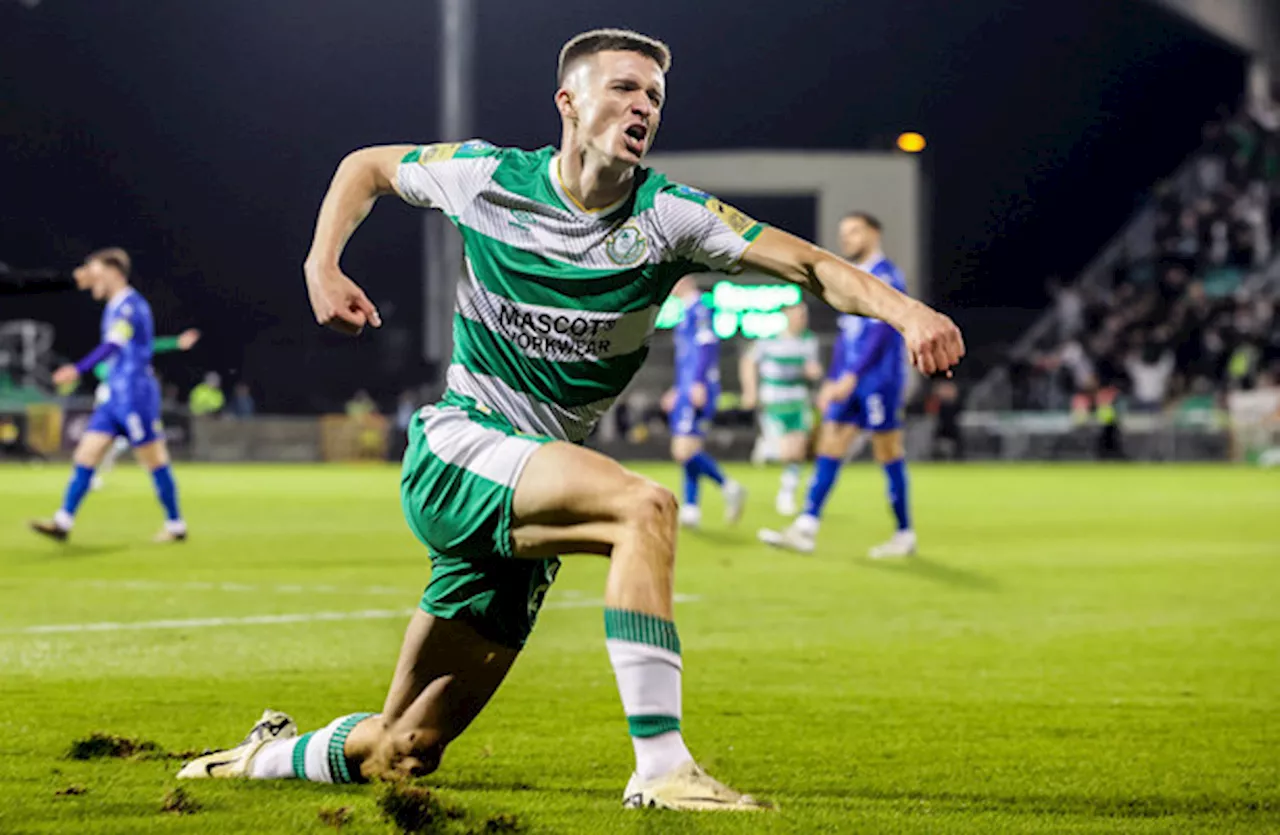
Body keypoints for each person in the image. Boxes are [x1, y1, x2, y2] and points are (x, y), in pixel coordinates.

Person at [177, 29, 963, 810]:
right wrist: (322, 263)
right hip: (461, 449)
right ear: (569, 100)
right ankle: (661, 769)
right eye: (624, 87)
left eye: (654, 95)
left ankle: (259, 759)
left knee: (403, 747)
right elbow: (368, 167)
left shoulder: (672, 218)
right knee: (642, 506)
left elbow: (812, 266)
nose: (643, 105)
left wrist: (908, 312)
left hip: (532, 485)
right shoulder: (486, 177)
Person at [758, 212, 917, 558]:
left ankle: (904, 534)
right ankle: (806, 527)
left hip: (879, 380)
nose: (846, 239)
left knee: (887, 451)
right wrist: (832, 380)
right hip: (849, 381)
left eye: (854, 231)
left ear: (874, 233)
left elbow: (880, 332)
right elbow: (847, 338)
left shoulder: (888, 276)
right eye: (843, 232)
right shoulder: (854, 278)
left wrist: (850, 376)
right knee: (830, 443)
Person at [29, 248, 187, 543]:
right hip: (114, 395)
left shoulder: (130, 305)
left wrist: (79, 368)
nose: (91, 279)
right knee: (86, 455)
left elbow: (114, 343)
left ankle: (176, 525)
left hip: (135, 393)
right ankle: (63, 521)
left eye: (95, 271)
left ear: (114, 271)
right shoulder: (114, 305)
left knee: (153, 459)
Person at [664, 275, 745, 528]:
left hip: (698, 387)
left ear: (685, 280)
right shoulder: (686, 312)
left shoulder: (700, 308)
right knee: (691, 448)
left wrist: (697, 382)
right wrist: (678, 388)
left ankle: (728, 485)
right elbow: (687, 358)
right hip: (687, 387)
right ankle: (691, 507)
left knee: (682, 450)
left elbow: (707, 345)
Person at [91, 328, 200, 489]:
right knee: (106, 440)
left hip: (128, 398)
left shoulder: (133, 349)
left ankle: (99, 470)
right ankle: (92, 473)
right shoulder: (113, 351)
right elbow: (98, 368)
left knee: (121, 442)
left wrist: (177, 342)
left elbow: (154, 345)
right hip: (109, 395)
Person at [739, 302, 822, 515]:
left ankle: (787, 493)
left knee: (798, 450)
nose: (802, 318)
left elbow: (814, 368)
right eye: (798, 314)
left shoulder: (809, 341)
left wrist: (814, 372)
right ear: (787, 315)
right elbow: (748, 362)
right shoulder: (770, 340)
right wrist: (750, 391)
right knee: (787, 452)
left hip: (798, 400)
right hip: (774, 401)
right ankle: (768, 448)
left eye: (805, 314)